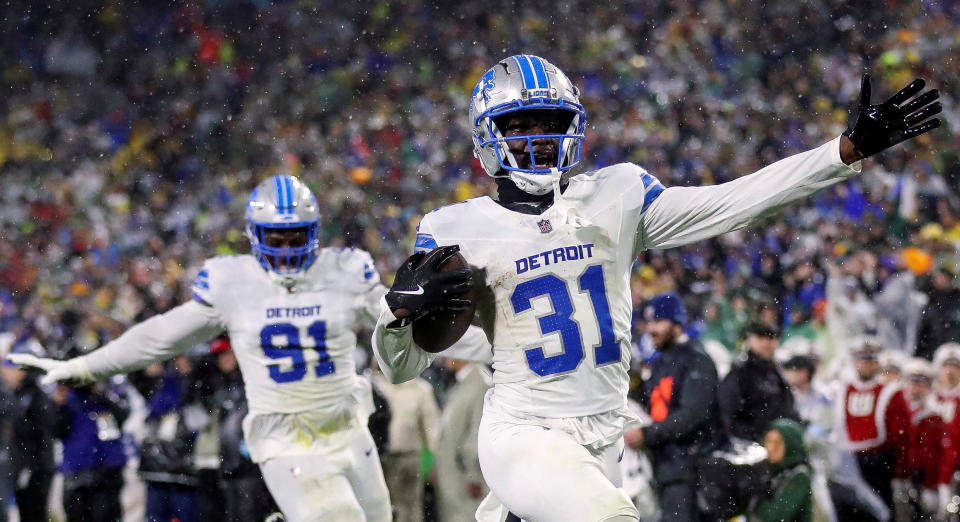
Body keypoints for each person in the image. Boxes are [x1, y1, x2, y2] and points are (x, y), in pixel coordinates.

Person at [372, 55, 941, 521]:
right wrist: (396, 315)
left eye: (548, 120)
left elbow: (732, 203)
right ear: (486, 139)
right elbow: (399, 367)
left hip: (606, 434)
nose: (538, 138)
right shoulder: (453, 230)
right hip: (524, 431)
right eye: (519, 125)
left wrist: (841, 151)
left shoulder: (615, 195)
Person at [10, 175, 395, 522]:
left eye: (295, 236)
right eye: (275, 237)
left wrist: (419, 303)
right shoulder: (236, 283)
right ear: (254, 235)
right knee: (335, 516)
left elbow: (398, 315)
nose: (286, 248)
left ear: (313, 232)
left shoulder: (343, 271)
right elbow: (159, 337)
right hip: (285, 434)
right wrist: (88, 367)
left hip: (348, 427)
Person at [626, 292, 721, 521]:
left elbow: (691, 415)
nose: (651, 329)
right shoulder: (661, 363)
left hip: (689, 471)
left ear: (677, 323)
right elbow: (648, 405)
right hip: (666, 470)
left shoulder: (695, 359)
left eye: (658, 321)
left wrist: (647, 435)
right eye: (648, 322)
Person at [833, 339, 911, 517]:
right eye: (862, 360)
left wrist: (901, 473)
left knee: (878, 513)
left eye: (871, 360)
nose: (867, 365)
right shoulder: (841, 390)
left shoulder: (891, 392)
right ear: (854, 363)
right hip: (848, 462)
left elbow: (902, 437)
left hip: (879, 462)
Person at [719, 322, 800, 442]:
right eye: (761, 337)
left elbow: (787, 409)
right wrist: (757, 438)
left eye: (771, 337)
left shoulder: (777, 370)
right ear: (750, 339)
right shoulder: (740, 372)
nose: (766, 343)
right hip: (752, 447)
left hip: (778, 445)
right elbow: (728, 416)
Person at [435, 358, 492, 522]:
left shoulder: (480, 382)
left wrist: (473, 476)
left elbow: (477, 433)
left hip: (465, 480)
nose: (444, 355)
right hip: (454, 476)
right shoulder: (465, 380)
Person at [901, 358, 953, 520]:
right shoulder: (897, 412)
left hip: (923, 481)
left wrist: (933, 486)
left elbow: (938, 456)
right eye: (912, 382)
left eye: (922, 383)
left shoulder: (934, 418)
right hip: (899, 478)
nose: (916, 388)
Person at [750, 419, 813, 522]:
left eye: (777, 443)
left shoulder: (800, 474)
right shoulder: (774, 471)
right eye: (768, 441)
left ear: (790, 445)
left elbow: (774, 517)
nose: (770, 448)